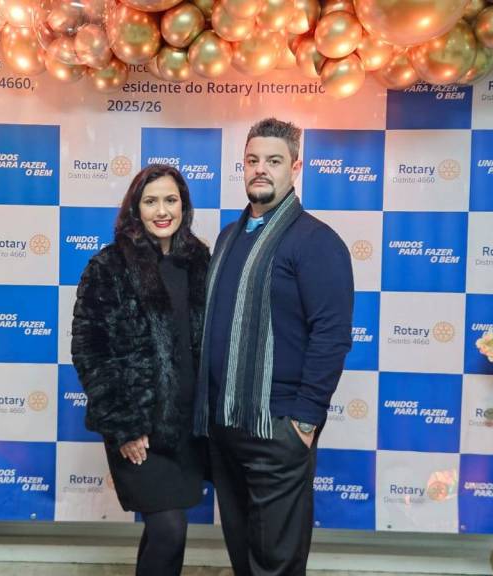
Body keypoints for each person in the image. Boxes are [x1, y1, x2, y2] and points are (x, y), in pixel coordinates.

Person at [195, 118, 354, 575]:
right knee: (243, 555)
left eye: (273, 160)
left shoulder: (316, 241)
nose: (260, 169)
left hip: (278, 428)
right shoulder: (229, 235)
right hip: (225, 425)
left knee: (276, 563)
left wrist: (304, 421)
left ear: (295, 167)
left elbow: (331, 335)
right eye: (252, 160)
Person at [71, 164, 210, 576]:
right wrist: (125, 426)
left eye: (171, 200)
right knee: (169, 528)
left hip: (187, 428)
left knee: (166, 531)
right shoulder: (109, 266)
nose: (162, 211)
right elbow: (90, 352)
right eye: (151, 201)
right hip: (140, 428)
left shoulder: (199, 261)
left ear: (184, 206)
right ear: (135, 208)